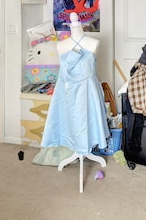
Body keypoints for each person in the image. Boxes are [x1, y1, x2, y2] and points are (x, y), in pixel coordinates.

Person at [41, 12, 109, 180]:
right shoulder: (61, 45)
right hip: (67, 94)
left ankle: (84, 148)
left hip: (88, 93)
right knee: (68, 122)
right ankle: (77, 148)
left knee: (88, 120)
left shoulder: (93, 43)